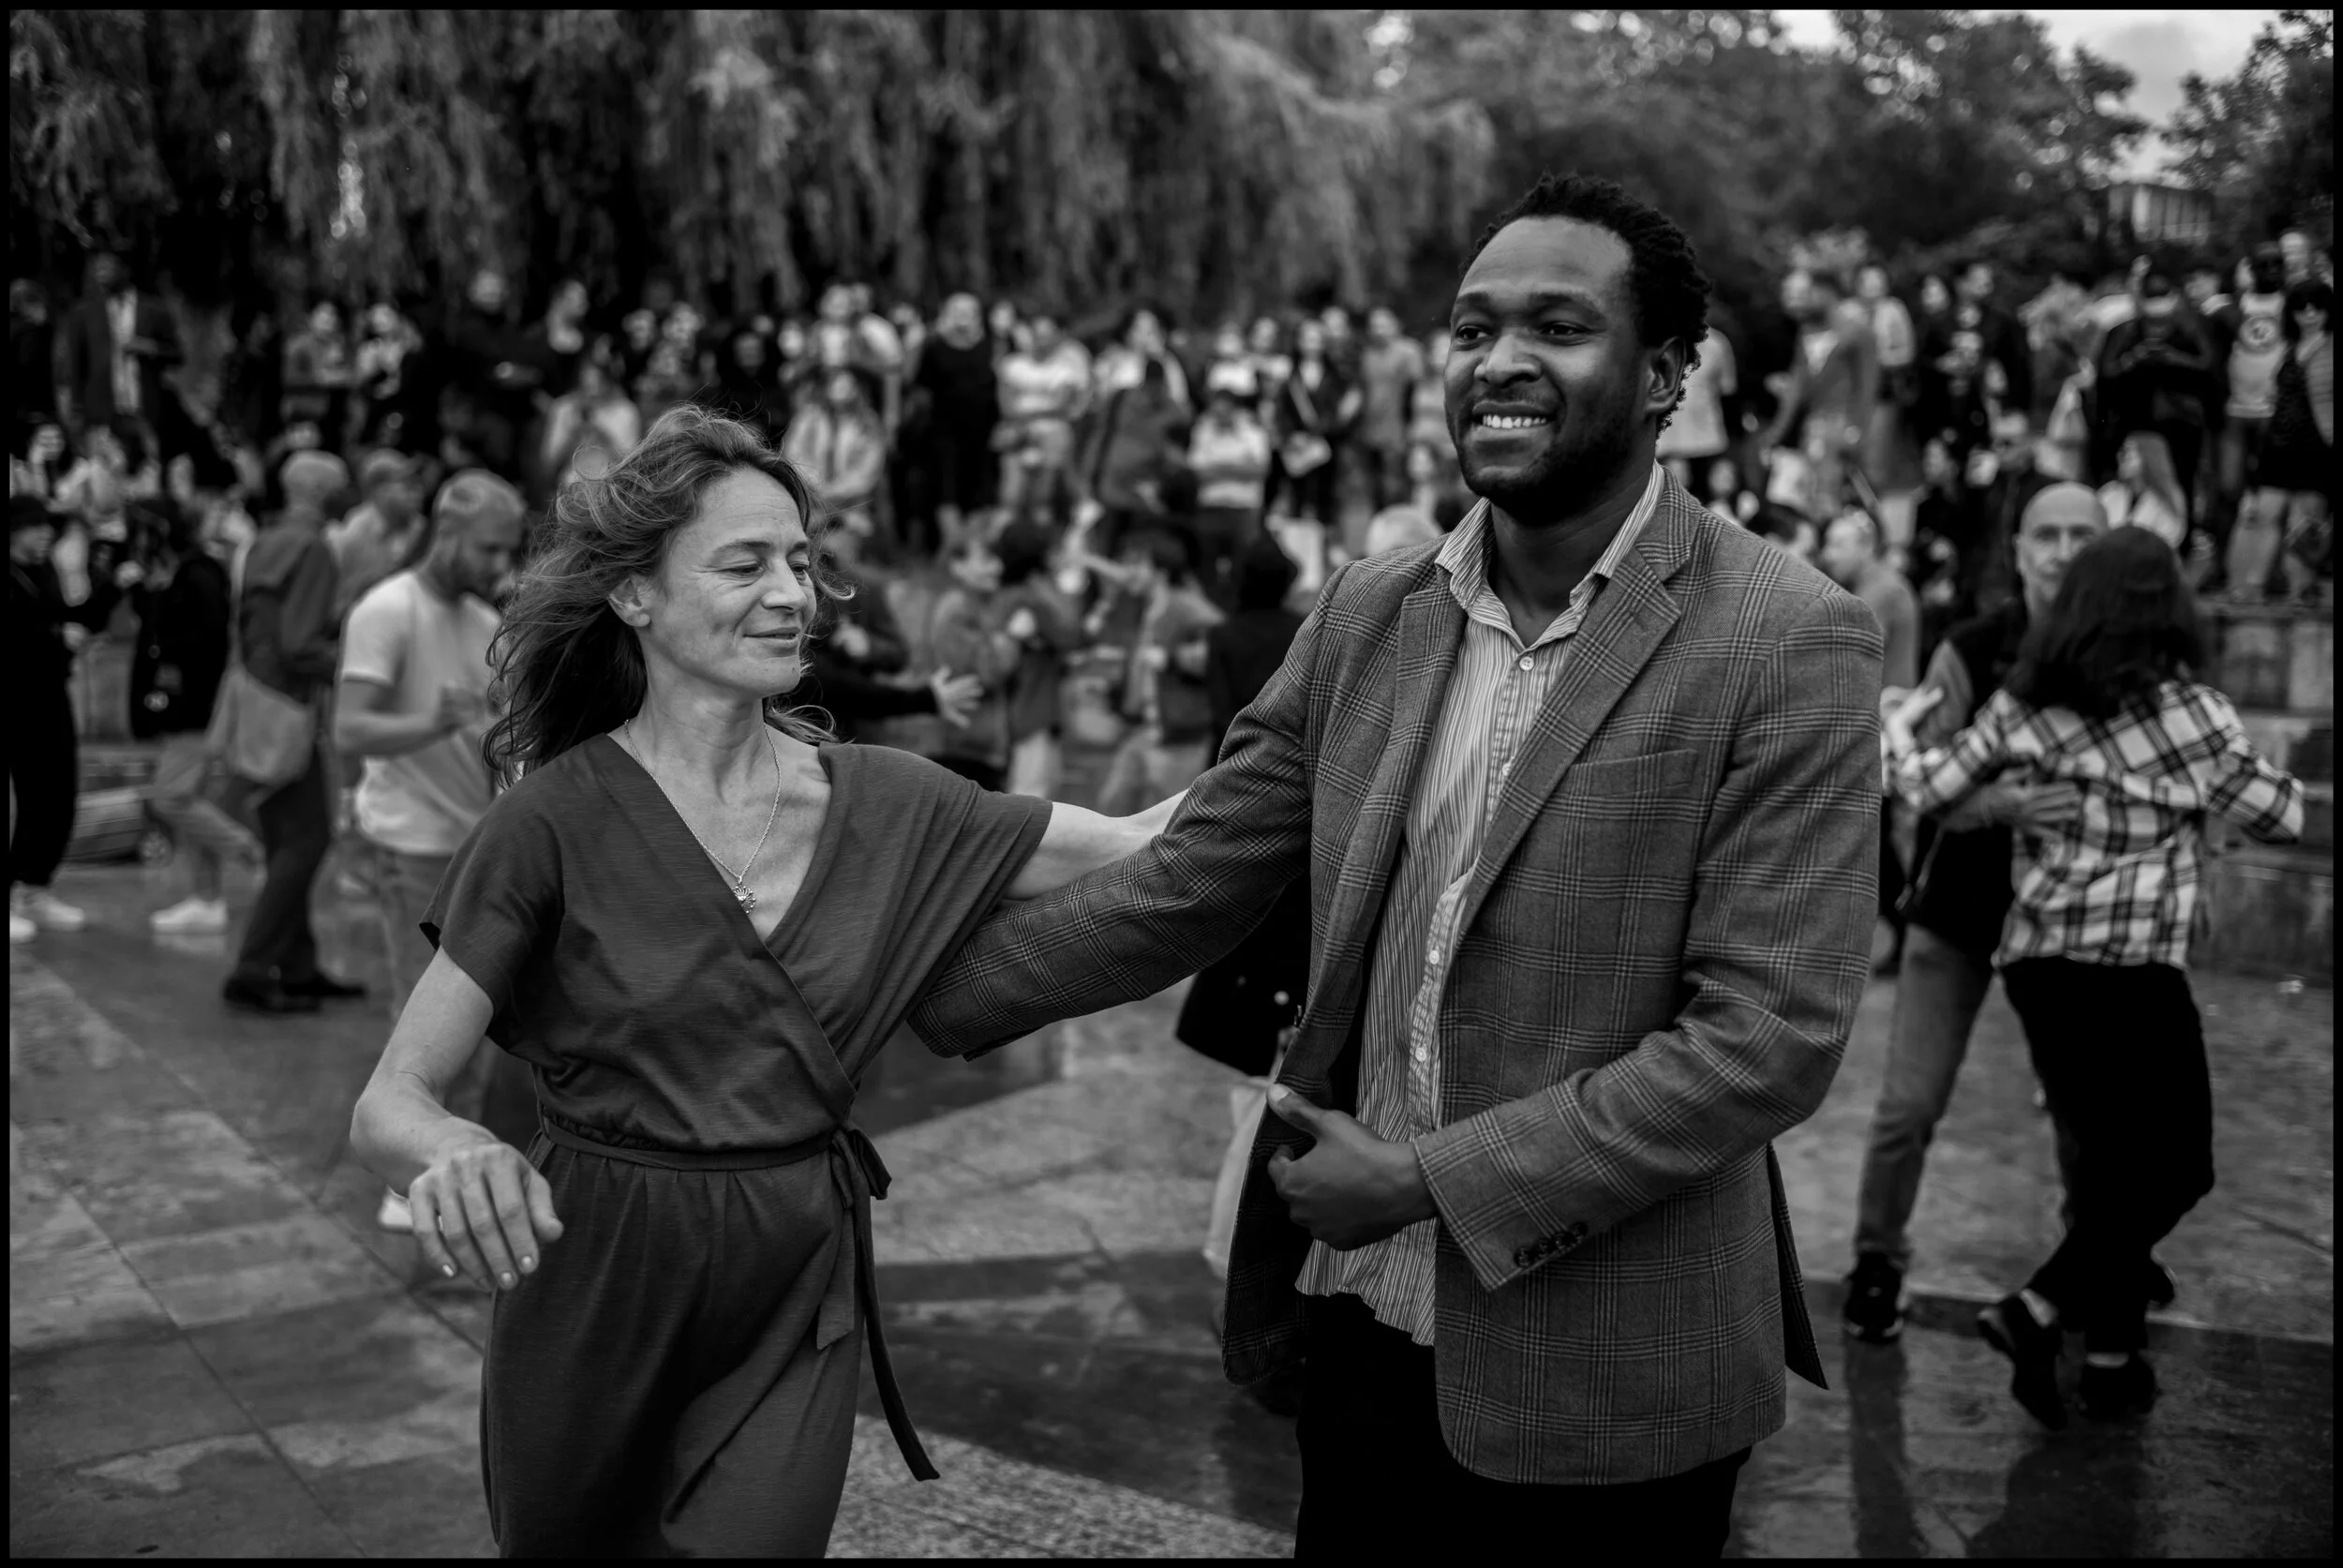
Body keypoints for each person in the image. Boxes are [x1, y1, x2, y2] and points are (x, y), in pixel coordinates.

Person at [910, 172, 1884, 1558]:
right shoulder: (1372, 608)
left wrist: (1429, 1178)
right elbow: (1186, 879)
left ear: (1668, 374)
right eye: (1472, 328)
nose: (1499, 361)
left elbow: (1765, 1040)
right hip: (1363, 1323)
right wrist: (885, 1004)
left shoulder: (1787, 636)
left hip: (1613, 1374)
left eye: (1558, 328)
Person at [344, 408, 1186, 1555]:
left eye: (800, 560)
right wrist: (453, 1150)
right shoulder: (546, 821)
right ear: (634, 595)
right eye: (744, 564)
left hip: (792, 1283)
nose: (792, 593)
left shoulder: (888, 797)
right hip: (594, 1280)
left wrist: (1328, 713)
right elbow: (388, 1101)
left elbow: (1140, 842)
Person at [1888, 526, 2303, 1426]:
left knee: (2113, 1168)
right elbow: (2282, 816)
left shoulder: (2027, 703)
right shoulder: (2195, 716)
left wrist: (1907, 735)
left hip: (2044, 970)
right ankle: (2039, 1307)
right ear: (2168, 609)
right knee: (2179, 1166)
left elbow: (1925, 787)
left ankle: (2110, 1360)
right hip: (2137, 975)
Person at [1841, 482, 2108, 1345]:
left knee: (2085, 1119)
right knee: (1909, 1104)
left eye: (2080, 534)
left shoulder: (2131, 652)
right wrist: (2001, 804)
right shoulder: (1975, 646)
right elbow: (1906, 765)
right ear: (2019, 548)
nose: (2062, 551)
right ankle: (1877, 1259)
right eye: (2047, 535)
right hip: (1957, 908)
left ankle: (2100, 1258)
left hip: (2074, 921)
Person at [336, 470, 535, 1232]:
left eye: (507, 550)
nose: (499, 565)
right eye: (488, 548)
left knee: (474, 1018)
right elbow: (351, 728)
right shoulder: (387, 608)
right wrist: (436, 721)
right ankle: (410, 1178)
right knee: (424, 1020)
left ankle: (443, 1168)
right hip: (411, 841)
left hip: (469, 841)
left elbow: (489, 737)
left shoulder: (480, 616)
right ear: (446, 532)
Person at [1182, 535, 1314, 1410]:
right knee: (1268, 1095)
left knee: (1258, 1094)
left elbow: (1226, 714)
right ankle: (1253, 1294)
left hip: (1243, 782)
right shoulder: (1305, 630)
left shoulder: (1229, 636)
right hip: (1293, 862)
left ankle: (1249, 1289)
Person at [223, 450, 366, 1014]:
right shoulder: (313, 548)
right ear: (319, 492)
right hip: (291, 706)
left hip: (257, 697)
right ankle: (254, 967)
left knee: (288, 839)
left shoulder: (265, 541)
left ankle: (297, 965)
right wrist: (358, 660)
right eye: (340, 483)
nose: (347, 493)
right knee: (307, 840)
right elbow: (300, 644)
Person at [128, 497, 258, 934]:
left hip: (197, 707)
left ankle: (250, 852)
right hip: (182, 705)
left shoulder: (198, 573)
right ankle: (206, 897)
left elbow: (209, 641)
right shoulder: (171, 575)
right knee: (191, 797)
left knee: (170, 797)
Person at [10, 495, 133, 945]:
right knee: (29, 792)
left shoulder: (43, 573)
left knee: (57, 791)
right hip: (17, 697)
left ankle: (34, 886)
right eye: (36, 527)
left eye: (49, 527)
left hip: (50, 692)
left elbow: (71, 618)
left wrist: (111, 586)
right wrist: (54, 638)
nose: (46, 535)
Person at [2091, 269, 2215, 547]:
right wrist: (2135, 360)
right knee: (2131, 484)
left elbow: (2208, 368)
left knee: (2181, 484)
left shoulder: (2192, 327)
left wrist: (2172, 359)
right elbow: (2106, 374)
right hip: (2133, 420)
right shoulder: (2123, 331)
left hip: (2180, 423)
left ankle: (2179, 545)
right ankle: (2126, 542)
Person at [2203, 247, 2289, 593]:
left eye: (2277, 265)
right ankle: (2219, 566)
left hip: (2277, 414)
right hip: (2236, 413)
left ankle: (2275, 569)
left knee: (2276, 493)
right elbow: (2214, 360)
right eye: (2263, 265)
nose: (2272, 271)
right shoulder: (2230, 309)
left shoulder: (2294, 305)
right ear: (2250, 269)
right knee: (2227, 491)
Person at [1764, 270, 1877, 522]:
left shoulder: (1857, 331)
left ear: (1828, 292)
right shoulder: (1807, 331)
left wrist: (1858, 429)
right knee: (1811, 498)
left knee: (1833, 498)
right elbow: (1797, 387)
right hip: (1813, 426)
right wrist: (1777, 431)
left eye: (1811, 292)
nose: (1805, 299)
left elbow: (1868, 386)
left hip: (1840, 422)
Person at [2246, 279, 2334, 602]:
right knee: (2266, 514)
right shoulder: (2288, 348)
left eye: (2317, 307)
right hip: (2279, 444)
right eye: (2301, 307)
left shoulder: (2329, 347)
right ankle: (2254, 586)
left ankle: (2301, 590)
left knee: (2305, 522)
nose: (2309, 314)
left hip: (2316, 445)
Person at [55, 251, 183, 457]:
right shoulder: (84, 313)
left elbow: (177, 355)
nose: (101, 273)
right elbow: (76, 365)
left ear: (125, 270)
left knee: (150, 468)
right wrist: (76, 408)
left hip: (144, 409)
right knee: (103, 470)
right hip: (101, 413)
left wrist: (151, 348)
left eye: (107, 266)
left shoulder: (153, 309)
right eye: (97, 268)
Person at [993, 520, 1084, 799]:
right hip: (1032, 709)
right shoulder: (1033, 598)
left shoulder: (1002, 596)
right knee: (1031, 798)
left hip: (1020, 710)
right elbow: (1071, 634)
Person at [925, 530, 1021, 792]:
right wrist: (1012, 637)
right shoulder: (957, 607)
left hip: (974, 743)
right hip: (965, 745)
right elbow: (987, 672)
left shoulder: (974, 605)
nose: (997, 567)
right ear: (957, 566)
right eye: (986, 560)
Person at [915, 293, 1002, 551]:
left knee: (980, 487)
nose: (963, 316)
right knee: (947, 486)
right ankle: (952, 548)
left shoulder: (993, 346)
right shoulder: (934, 347)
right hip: (945, 429)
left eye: (969, 310)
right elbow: (920, 388)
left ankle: (975, 546)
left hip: (985, 429)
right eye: (957, 310)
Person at [994, 310, 1092, 527]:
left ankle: (1041, 539)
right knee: (1010, 495)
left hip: (1052, 435)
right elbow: (1006, 404)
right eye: (1037, 333)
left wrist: (1026, 412)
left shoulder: (1067, 368)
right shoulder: (1012, 365)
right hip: (1016, 434)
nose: (1041, 340)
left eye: (1047, 334)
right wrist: (1043, 408)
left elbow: (1063, 406)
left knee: (1043, 497)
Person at [1267, 318, 1357, 547]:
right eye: (1307, 338)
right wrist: (1291, 435)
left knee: (1326, 496)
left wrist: (1324, 429)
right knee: (1298, 495)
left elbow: (1342, 408)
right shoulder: (1289, 374)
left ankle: (1328, 547)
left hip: (1327, 445)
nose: (1312, 344)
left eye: (1317, 339)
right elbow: (1281, 410)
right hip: (1298, 446)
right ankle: (1298, 547)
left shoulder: (1335, 375)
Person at [1186, 381, 1274, 607]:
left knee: (1244, 567)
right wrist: (1238, 467)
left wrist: (1219, 467)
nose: (1219, 416)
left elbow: (1259, 470)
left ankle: (1240, 612)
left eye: (1224, 411)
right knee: (1207, 568)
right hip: (1210, 510)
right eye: (1215, 412)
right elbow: (1198, 473)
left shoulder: (1253, 434)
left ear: (1235, 410)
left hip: (1243, 511)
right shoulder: (1203, 432)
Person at [782, 368, 888, 547]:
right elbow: (794, 452)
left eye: (847, 386)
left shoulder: (868, 423)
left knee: (838, 549)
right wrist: (816, 485)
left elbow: (868, 470)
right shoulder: (809, 417)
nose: (841, 390)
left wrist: (834, 491)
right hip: (810, 501)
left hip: (851, 507)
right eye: (836, 385)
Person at [325, 450, 428, 620]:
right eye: (407, 485)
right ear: (378, 490)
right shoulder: (350, 534)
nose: (417, 492)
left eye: (418, 484)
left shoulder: (421, 530)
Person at [1354, 307, 1425, 512]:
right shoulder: (1368, 354)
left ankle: (1399, 523)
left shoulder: (1409, 351)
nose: (1379, 330)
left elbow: (1417, 390)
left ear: (1395, 325)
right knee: (1375, 483)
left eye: (1383, 325)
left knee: (1395, 482)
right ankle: (1380, 522)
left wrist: (1412, 425)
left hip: (1398, 428)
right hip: (1371, 428)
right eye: (1374, 326)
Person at [2097, 431, 2190, 552]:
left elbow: (2170, 539)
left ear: (2148, 457)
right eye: (2122, 451)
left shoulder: (2168, 497)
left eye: (2128, 452)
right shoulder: (2109, 493)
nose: (2121, 457)